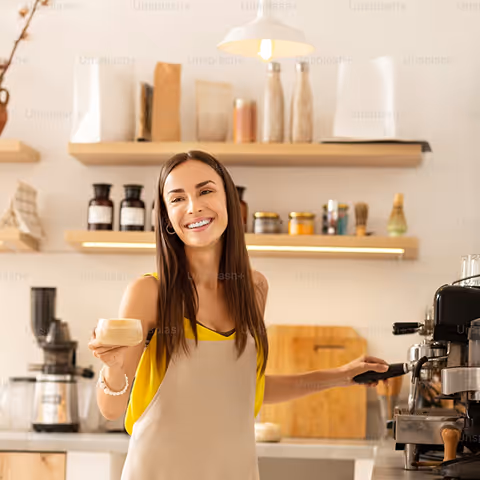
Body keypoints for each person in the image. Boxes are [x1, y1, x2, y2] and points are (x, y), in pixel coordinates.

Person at [88, 150, 389, 480]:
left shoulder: (253, 288)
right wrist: (113, 368)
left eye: (205, 191)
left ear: (230, 201)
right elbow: (111, 408)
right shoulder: (150, 293)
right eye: (177, 198)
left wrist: (342, 375)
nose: (193, 207)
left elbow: (247, 388)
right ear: (167, 218)